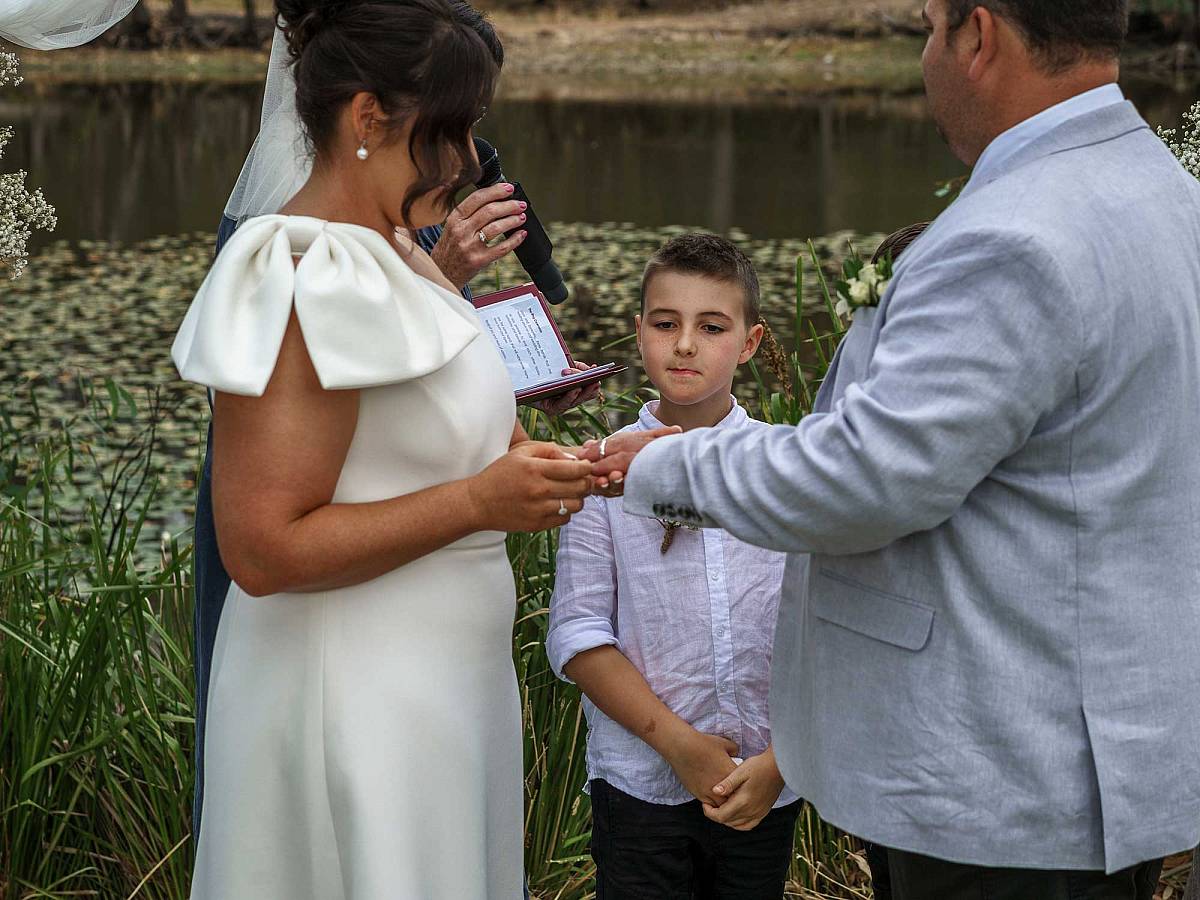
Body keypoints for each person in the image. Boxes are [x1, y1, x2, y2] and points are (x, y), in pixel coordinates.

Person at [583, 1, 1200, 897]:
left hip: (1002, 779)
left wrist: (654, 463)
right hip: (1114, 746)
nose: (925, 56)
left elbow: (866, 480)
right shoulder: (1169, 194)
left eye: (929, 27)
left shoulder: (1014, 235)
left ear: (978, 35)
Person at [170, 0, 650, 895]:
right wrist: (477, 504)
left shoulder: (399, 250)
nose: (467, 158)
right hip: (353, 702)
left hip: (439, 694)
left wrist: (556, 469)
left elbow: (456, 438)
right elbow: (260, 550)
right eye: (452, 129)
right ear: (368, 119)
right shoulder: (297, 272)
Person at [548, 234, 801, 900]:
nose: (685, 344)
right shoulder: (601, 472)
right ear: (639, 333)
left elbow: (822, 629)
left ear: (749, 342)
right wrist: (679, 745)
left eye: (711, 327)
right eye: (665, 324)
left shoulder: (786, 466)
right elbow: (578, 633)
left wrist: (784, 761)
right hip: (641, 784)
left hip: (763, 783)